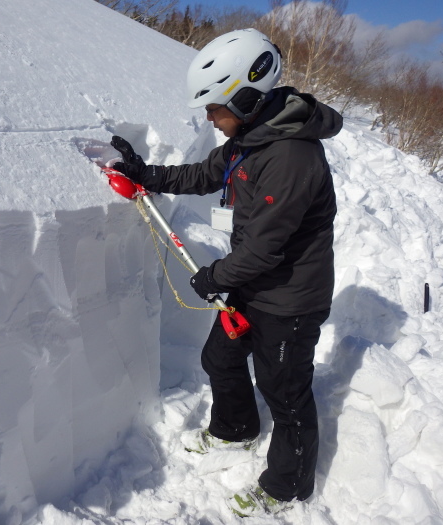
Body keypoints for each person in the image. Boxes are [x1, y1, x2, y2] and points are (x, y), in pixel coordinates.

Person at [110, 28, 342, 517]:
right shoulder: (252, 138)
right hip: (253, 283)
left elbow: (264, 247)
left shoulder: (292, 155)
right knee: (221, 357)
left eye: (215, 108)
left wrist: (215, 276)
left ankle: (288, 486)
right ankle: (235, 430)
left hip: (290, 299)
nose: (211, 120)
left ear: (248, 97)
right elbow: (203, 174)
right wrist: (146, 174)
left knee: (285, 392)